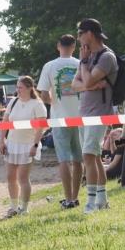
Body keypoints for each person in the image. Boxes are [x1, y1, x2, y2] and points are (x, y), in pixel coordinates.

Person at [71, 18, 118, 213]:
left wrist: (83, 64)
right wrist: (89, 85)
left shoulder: (107, 57)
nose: (78, 38)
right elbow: (75, 85)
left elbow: (88, 80)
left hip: (100, 113)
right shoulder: (87, 55)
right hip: (84, 113)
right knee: (95, 157)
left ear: (89, 33)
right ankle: (102, 200)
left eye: (80, 33)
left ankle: (90, 203)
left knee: (88, 155)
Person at [37, 34, 83, 209]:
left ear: (58, 46)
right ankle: (75, 197)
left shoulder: (49, 66)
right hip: (79, 116)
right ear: (74, 46)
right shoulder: (80, 64)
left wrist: (54, 103)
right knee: (78, 159)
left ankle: (68, 198)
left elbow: (43, 94)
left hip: (59, 117)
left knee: (64, 160)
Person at [0, 76, 48, 217]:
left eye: (20, 87)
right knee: (10, 177)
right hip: (12, 143)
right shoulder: (13, 101)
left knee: (23, 178)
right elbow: (5, 122)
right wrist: (2, 141)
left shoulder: (37, 104)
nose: (18, 90)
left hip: (27, 144)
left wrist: (35, 145)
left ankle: (24, 208)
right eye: (17, 87)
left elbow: (41, 127)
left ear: (29, 88)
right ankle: (13, 207)